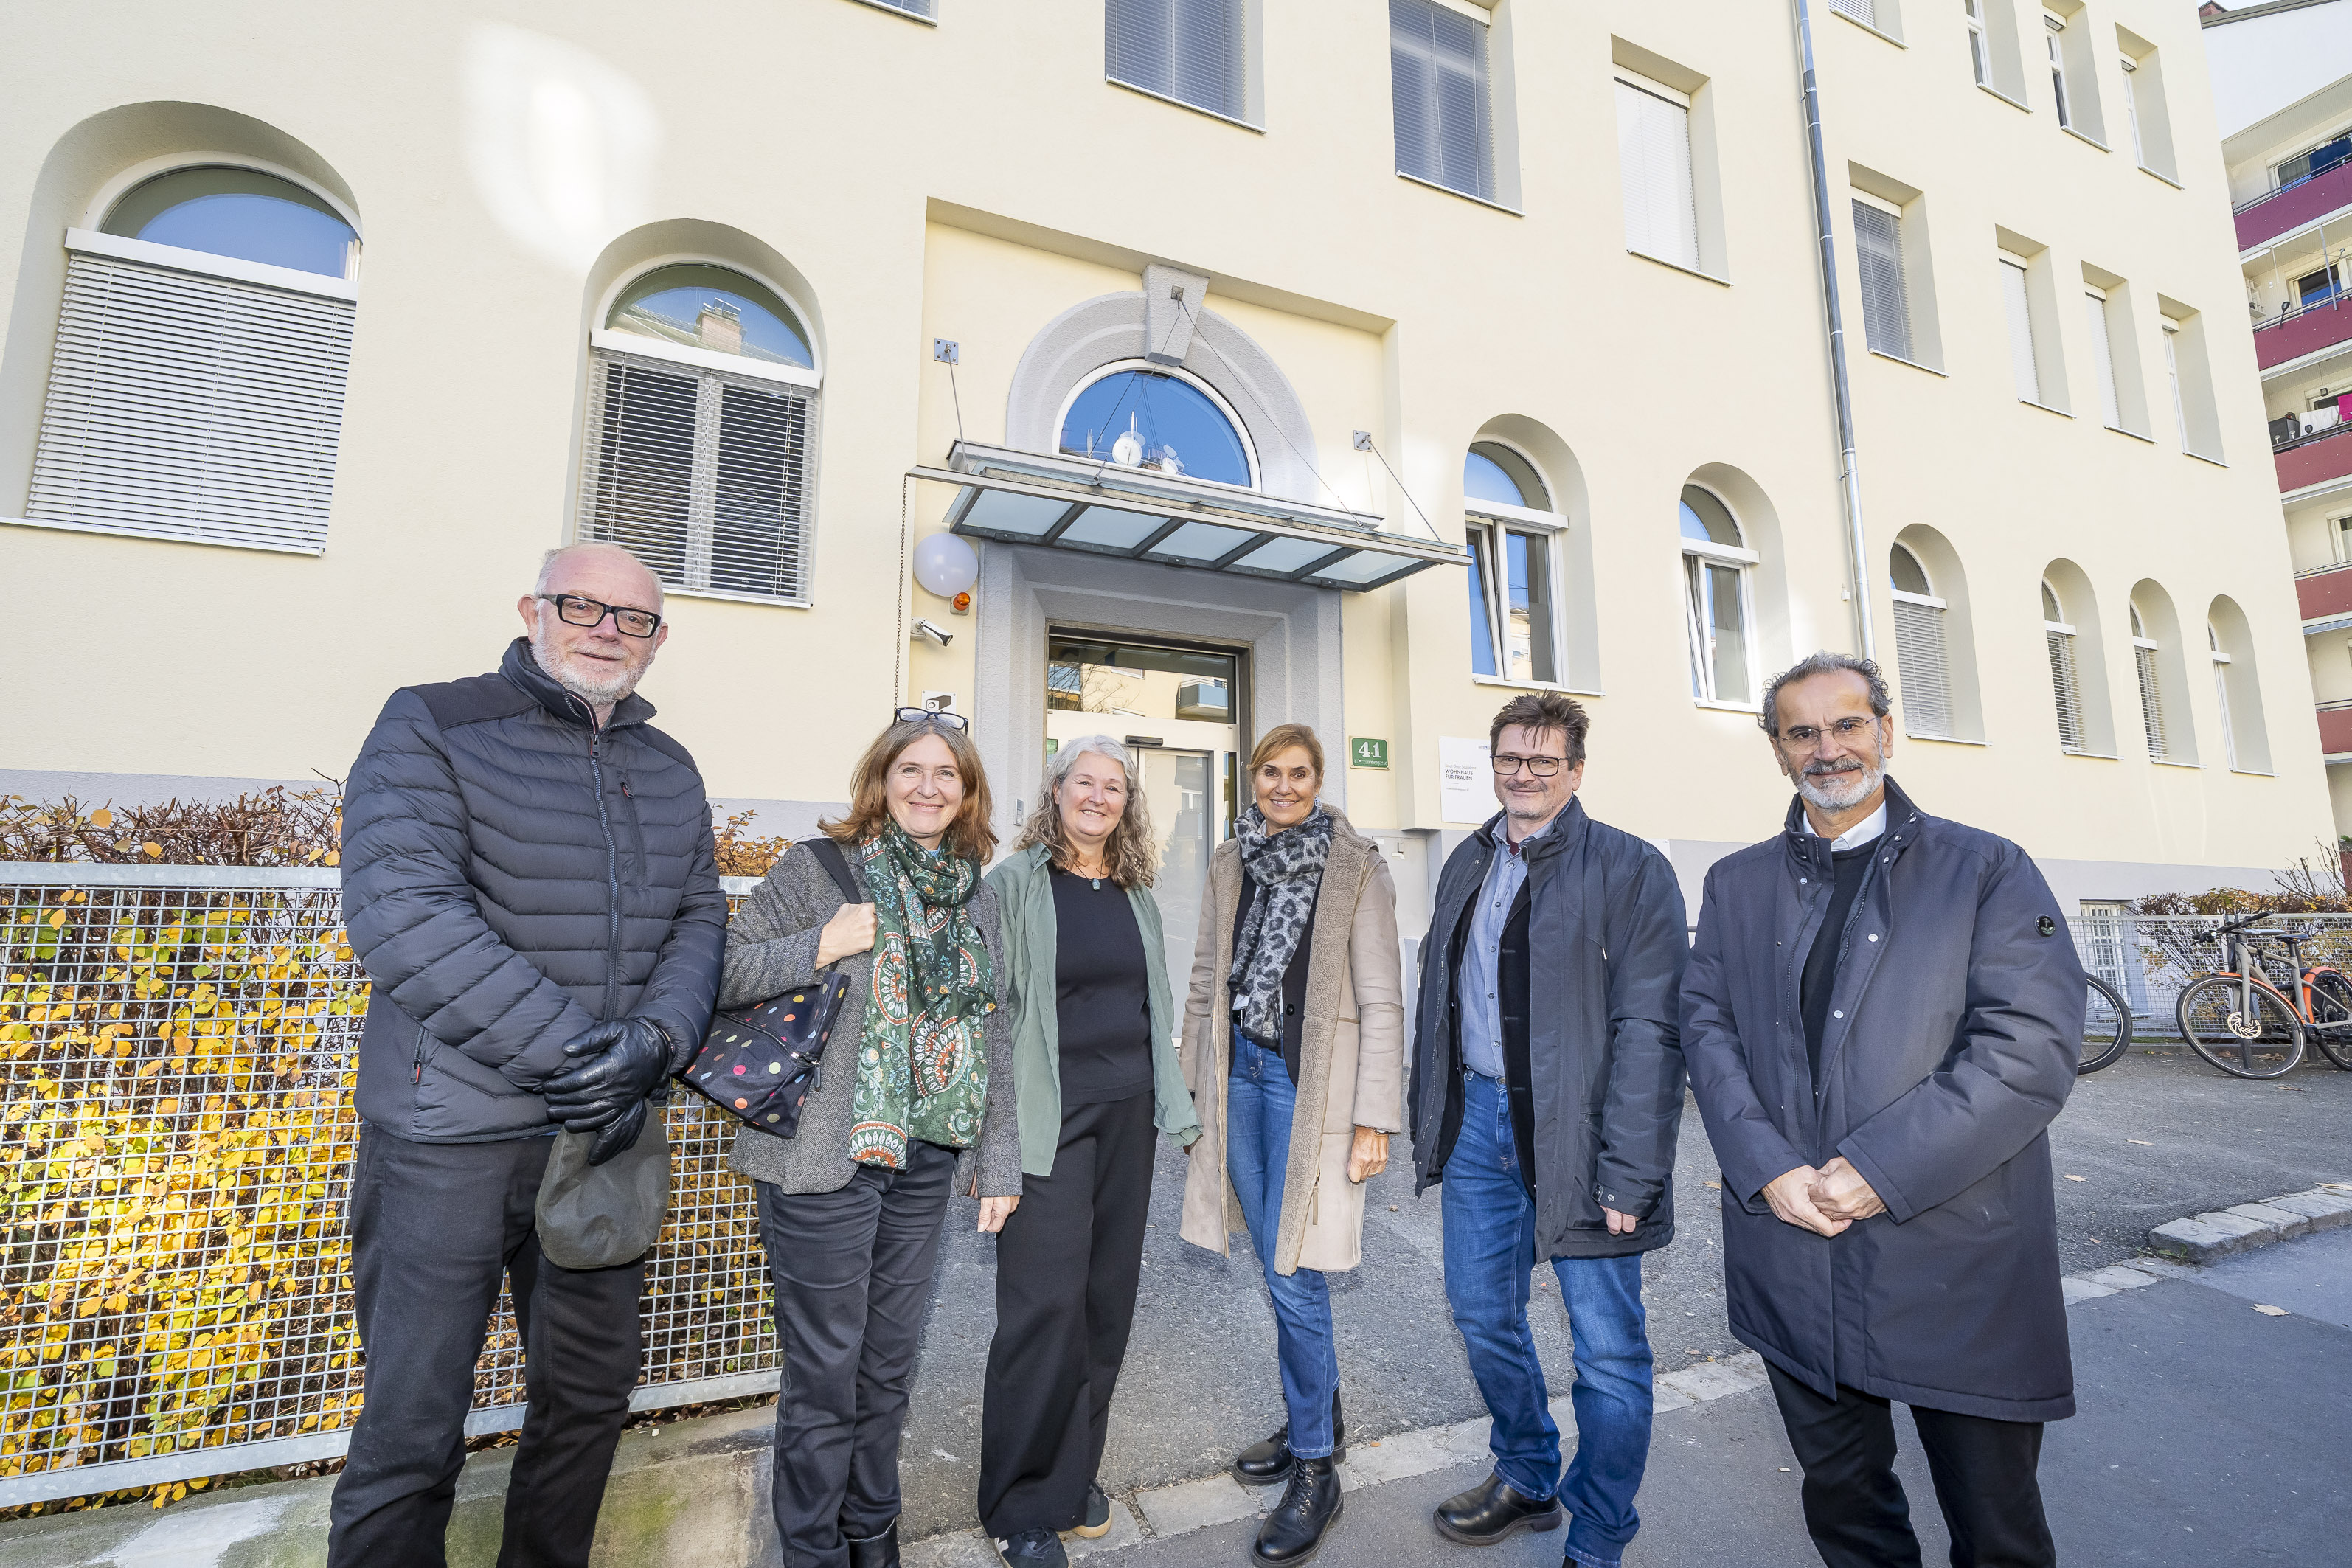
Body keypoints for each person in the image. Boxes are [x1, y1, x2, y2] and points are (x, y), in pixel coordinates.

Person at [330, 541, 728, 1568]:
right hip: (446, 1136)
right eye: (583, 606)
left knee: (589, 1401)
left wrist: (660, 1039)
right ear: (533, 608)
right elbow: (406, 916)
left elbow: (697, 918)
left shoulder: (670, 766)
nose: (607, 630)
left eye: (633, 618)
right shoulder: (431, 721)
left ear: (658, 639)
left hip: (600, 1138)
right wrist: (587, 1050)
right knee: (412, 1427)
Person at [1681, 652, 2082, 1568]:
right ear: (1779, 753)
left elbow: (2026, 1050)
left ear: (1887, 732)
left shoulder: (1986, 868)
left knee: (1997, 1530)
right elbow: (1706, 1031)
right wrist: (1768, 1166)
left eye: (1847, 724)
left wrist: (1877, 1170)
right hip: (1795, 1252)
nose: (1828, 748)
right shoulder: (1736, 885)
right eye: (1802, 732)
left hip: (1954, 1258)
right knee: (1850, 1516)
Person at [717, 708, 1019, 1568]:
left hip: (925, 1158)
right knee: (825, 1374)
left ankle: (871, 1532)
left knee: (887, 1365)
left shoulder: (978, 896)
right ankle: (810, 1551)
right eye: (911, 770)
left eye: (947, 775)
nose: (928, 786)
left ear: (967, 796)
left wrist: (996, 1161)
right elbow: (722, 969)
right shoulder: (819, 870)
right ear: (880, 781)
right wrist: (822, 942)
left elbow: (992, 1031)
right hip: (822, 1158)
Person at [1407, 690, 1687, 1568]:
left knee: (1607, 1351)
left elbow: (1653, 1030)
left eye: (1543, 759)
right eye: (1509, 758)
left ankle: (1599, 1531)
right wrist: (1428, 1119)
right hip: (1479, 1122)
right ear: (1492, 763)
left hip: (1583, 1136)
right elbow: (1440, 1004)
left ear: (1574, 769)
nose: (1524, 774)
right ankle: (1528, 1473)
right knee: (1482, 1312)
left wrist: (1629, 1172)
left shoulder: (1631, 868)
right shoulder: (1467, 860)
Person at [1178, 723, 1405, 1567]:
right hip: (1238, 1079)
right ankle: (1322, 1414)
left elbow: (1384, 999)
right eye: (1269, 771)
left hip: (1315, 1091)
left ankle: (1315, 1466)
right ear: (1252, 776)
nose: (1282, 785)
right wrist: (1190, 1083)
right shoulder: (1230, 858)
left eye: (1298, 773)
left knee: (1291, 1268)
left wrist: (1376, 1116)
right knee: (1282, 1266)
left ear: (1319, 779)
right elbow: (1208, 974)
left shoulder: (1358, 865)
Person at [977, 736, 1202, 1568]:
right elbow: (991, 1019)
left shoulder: (1132, 888)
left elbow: (1151, 1001)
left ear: (1126, 803)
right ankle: (1016, 1501)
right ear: (1057, 789)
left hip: (1127, 1117)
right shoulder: (1013, 883)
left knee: (1106, 1302)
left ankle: (1071, 1476)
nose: (1098, 796)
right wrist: (992, 1148)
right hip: (1048, 1123)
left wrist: (1170, 1101)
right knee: (1043, 1308)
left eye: (1114, 786)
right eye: (1085, 782)